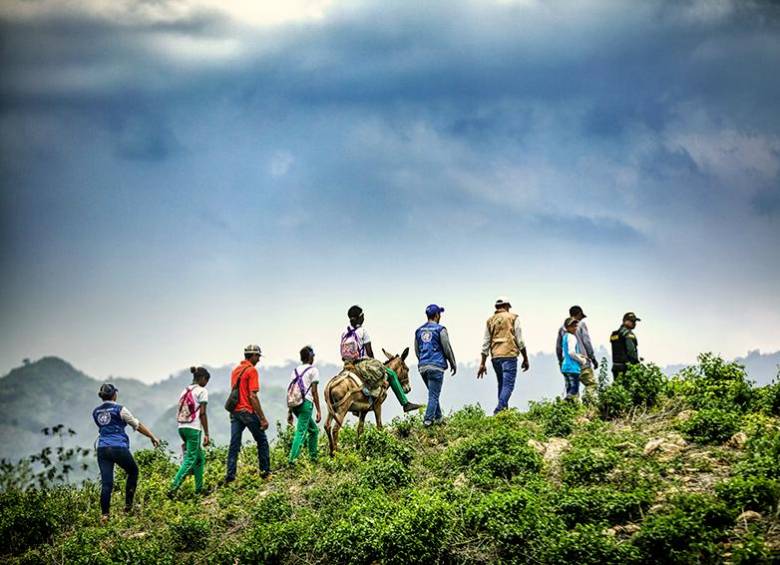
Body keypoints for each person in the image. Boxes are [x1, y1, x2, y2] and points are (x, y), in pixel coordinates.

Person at [92, 383, 159, 523]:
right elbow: (137, 425)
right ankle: (128, 507)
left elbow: (103, 427)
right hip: (118, 447)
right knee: (133, 471)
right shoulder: (120, 409)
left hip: (102, 449)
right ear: (114, 394)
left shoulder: (96, 412)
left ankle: (105, 515)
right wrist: (152, 437)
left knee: (106, 483)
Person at [340, 305, 422, 412]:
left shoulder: (344, 333)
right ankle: (405, 404)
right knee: (391, 374)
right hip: (361, 364)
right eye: (363, 316)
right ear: (360, 317)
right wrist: (375, 364)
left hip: (347, 365)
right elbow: (369, 352)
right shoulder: (363, 331)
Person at [225, 344, 271, 483]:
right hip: (246, 411)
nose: (259, 359)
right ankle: (265, 473)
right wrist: (262, 418)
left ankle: (230, 476)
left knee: (234, 444)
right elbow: (252, 396)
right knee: (262, 441)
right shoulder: (252, 371)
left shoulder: (235, 370)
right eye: (258, 356)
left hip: (235, 412)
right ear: (253, 356)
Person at [477, 297, 530, 414]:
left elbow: (486, 342)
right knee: (508, 385)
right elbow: (520, 339)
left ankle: (503, 413)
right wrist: (525, 358)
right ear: (507, 306)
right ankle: (500, 409)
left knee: (501, 384)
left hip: (495, 356)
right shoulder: (513, 318)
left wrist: (482, 363)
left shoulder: (490, 320)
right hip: (509, 355)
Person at [168, 366, 210, 497]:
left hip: (182, 427)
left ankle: (199, 489)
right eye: (206, 380)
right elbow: (202, 413)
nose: (206, 383)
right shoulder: (202, 391)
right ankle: (173, 488)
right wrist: (207, 433)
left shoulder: (185, 391)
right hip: (193, 428)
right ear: (202, 379)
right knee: (190, 458)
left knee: (199, 458)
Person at [414, 304, 457, 426]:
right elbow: (447, 348)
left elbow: (417, 351)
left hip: (423, 367)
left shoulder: (418, 331)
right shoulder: (440, 329)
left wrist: (424, 361)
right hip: (436, 366)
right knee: (433, 394)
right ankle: (428, 420)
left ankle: (439, 418)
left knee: (433, 393)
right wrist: (452, 363)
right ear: (437, 315)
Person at [556, 305, 598, 402]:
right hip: (582, 363)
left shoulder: (562, 329)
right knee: (591, 384)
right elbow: (587, 342)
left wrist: (560, 361)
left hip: (568, 365)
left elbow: (558, 348)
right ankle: (588, 402)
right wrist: (592, 358)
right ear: (578, 314)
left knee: (572, 387)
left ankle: (572, 409)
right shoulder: (581, 325)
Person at [286, 346, 321, 463]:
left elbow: (291, 391)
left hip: (295, 404)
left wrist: (290, 412)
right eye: (313, 356)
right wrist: (319, 410)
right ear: (310, 357)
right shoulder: (313, 370)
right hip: (306, 404)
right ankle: (292, 460)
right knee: (301, 432)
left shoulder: (295, 371)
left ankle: (313, 458)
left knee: (314, 430)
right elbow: (314, 391)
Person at [560, 317, 588, 401]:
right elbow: (571, 353)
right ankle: (565, 402)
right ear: (567, 327)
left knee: (569, 388)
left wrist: (580, 355)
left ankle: (568, 407)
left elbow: (566, 352)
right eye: (572, 326)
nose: (575, 328)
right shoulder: (572, 337)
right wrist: (582, 360)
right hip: (572, 368)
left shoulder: (565, 337)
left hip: (566, 367)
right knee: (574, 389)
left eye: (575, 326)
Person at [610, 312, 641, 381]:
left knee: (617, 388)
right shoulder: (628, 334)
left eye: (635, 321)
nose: (634, 323)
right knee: (627, 389)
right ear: (625, 321)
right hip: (625, 368)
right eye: (632, 321)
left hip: (615, 366)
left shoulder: (614, 334)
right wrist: (636, 365)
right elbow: (631, 351)